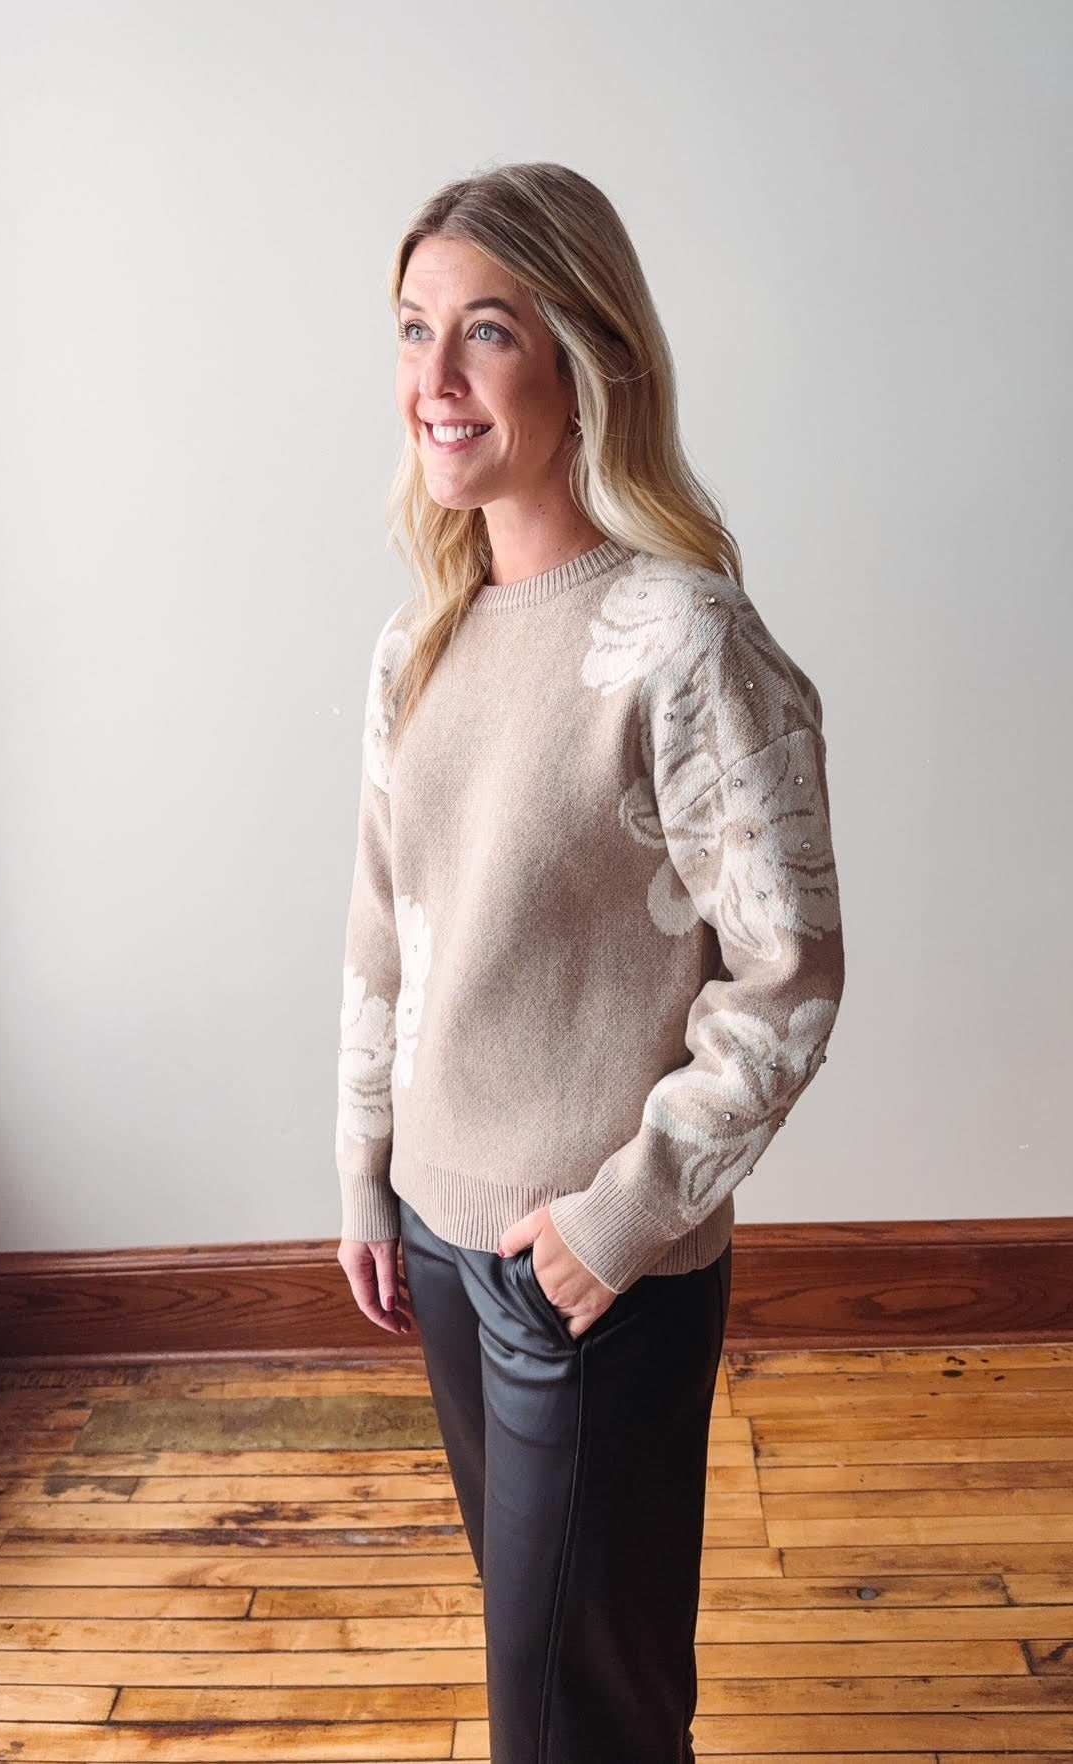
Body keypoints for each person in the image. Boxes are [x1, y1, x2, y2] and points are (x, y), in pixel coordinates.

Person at [335, 160, 845, 1764]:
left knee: (578, 1716)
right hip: (441, 1234)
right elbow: (381, 923)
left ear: (584, 357)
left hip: (590, 1272)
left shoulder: (686, 640)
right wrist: (368, 1170)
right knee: (558, 1689)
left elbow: (789, 972)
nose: (434, 380)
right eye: (414, 329)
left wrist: (621, 1219)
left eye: (485, 333)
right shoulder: (418, 640)